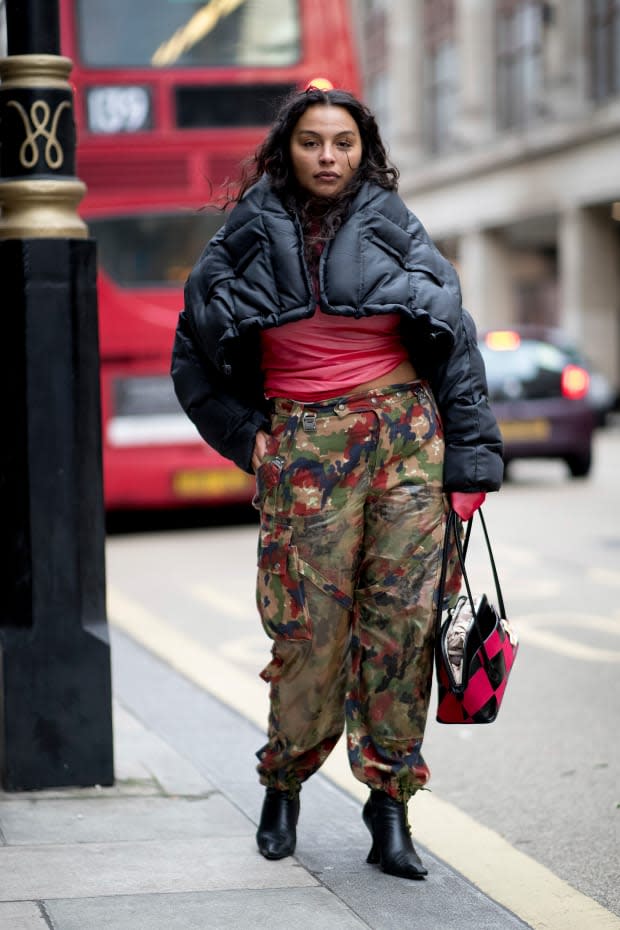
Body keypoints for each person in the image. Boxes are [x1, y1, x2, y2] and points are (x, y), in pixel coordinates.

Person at [171, 81, 503, 880]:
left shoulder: (395, 229)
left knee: (403, 633)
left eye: (344, 144)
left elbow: (454, 345)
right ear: (288, 149)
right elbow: (192, 357)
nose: (329, 157)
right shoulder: (245, 236)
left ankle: (391, 807)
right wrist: (248, 438)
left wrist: (471, 461)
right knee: (308, 638)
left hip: (405, 440)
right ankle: (283, 784)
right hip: (304, 449)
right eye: (313, 142)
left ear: (365, 151)